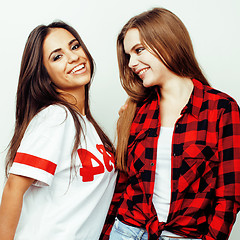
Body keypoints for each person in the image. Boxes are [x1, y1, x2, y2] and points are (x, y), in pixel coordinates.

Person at [100, 7, 240, 240]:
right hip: (125, 231)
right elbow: (122, 183)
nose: (132, 63)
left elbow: (229, 195)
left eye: (139, 50)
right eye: (129, 55)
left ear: (167, 42)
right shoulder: (135, 110)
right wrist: (105, 234)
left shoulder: (221, 108)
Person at [0, 21, 117, 240]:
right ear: (44, 75)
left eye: (74, 47)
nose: (73, 57)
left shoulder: (87, 126)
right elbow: (13, 189)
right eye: (57, 56)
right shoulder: (56, 117)